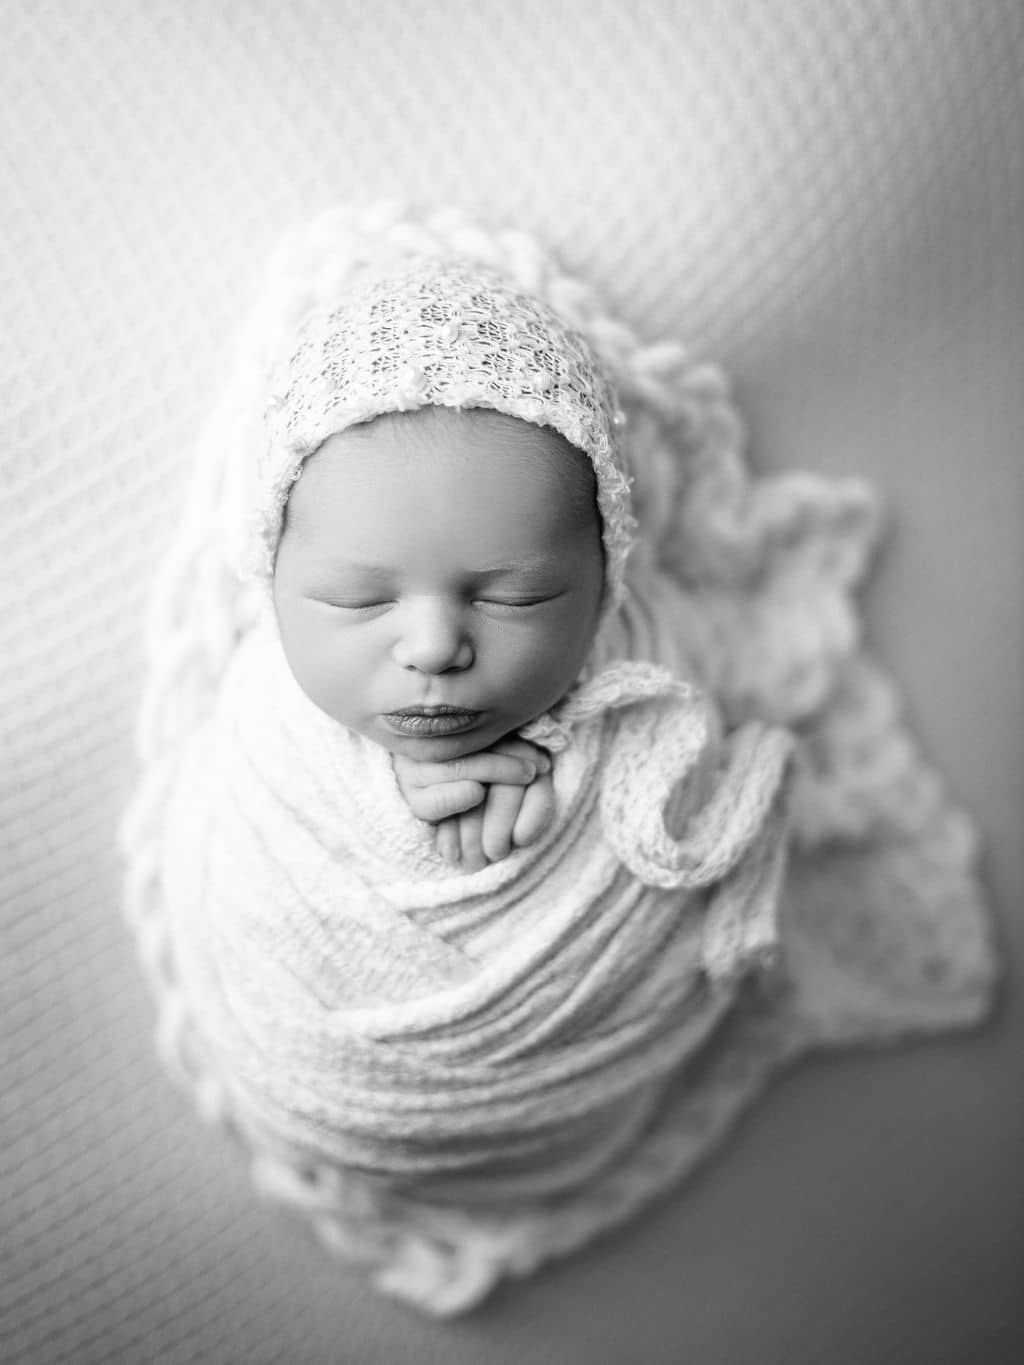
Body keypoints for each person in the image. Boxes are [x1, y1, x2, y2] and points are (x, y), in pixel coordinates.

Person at [122, 205, 994, 1317]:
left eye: (516, 593)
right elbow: (255, 793)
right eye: (358, 598)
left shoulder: (655, 672)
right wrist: (391, 811)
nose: (433, 644)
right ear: (272, 575)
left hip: (571, 1083)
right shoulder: (262, 720)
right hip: (326, 1072)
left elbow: (690, 844)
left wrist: (587, 822)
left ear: (604, 578)